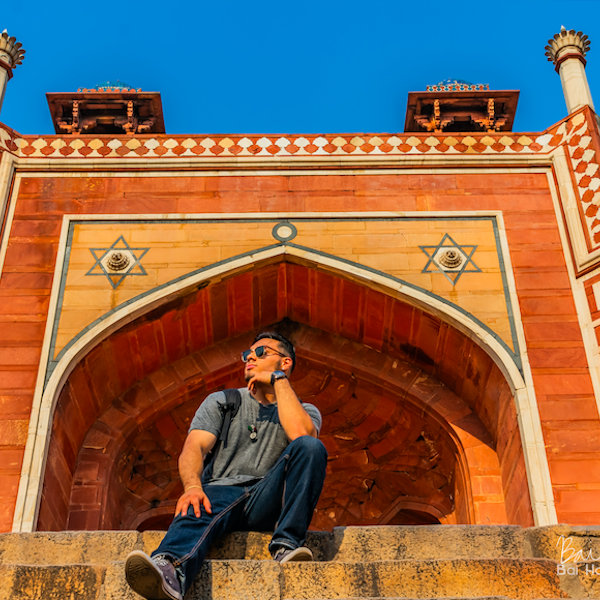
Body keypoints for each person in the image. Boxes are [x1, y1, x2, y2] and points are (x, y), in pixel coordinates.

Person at [124, 331, 327, 600]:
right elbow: (194, 447)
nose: (250, 357)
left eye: (261, 352)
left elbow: (303, 437)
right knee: (198, 501)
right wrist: (192, 486)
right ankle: (169, 569)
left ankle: (286, 545)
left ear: (285, 362)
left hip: (267, 498)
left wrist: (278, 381)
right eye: (247, 354)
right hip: (221, 491)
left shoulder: (306, 411)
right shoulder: (224, 401)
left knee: (312, 446)